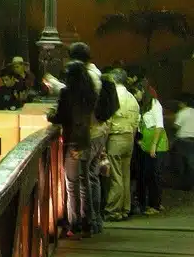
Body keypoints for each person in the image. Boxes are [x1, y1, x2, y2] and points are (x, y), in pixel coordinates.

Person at [48, 60, 99, 237]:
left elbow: (61, 116)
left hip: (73, 142)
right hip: (86, 140)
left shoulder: (66, 93)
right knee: (85, 181)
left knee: (72, 184)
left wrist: (50, 115)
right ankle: (88, 222)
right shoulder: (90, 93)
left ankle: (74, 223)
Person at [104, 69, 140, 221]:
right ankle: (125, 208)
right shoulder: (132, 98)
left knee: (116, 176)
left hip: (116, 137)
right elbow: (137, 121)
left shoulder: (113, 96)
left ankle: (113, 209)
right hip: (129, 138)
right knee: (126, 174)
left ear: (113, 80)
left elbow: (108, 120)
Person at [137, 87, 167, 213]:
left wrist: (154, 144)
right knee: (147, 175)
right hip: (145, 143)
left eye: (137, 91)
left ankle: (155, 205)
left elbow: (159, 126)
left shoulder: (155, 104)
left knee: (155, 175)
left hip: (157, 143)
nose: (136, 94)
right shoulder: (141, 106)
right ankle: (150, 204)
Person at [172, 96, 194, 190]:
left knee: (182, 163)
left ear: (183, 103)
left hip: (183, 141)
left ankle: (184, 184)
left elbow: (176, 126)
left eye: (180, 103)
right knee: (191, 163)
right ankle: (190, 183)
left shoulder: (182, 113)